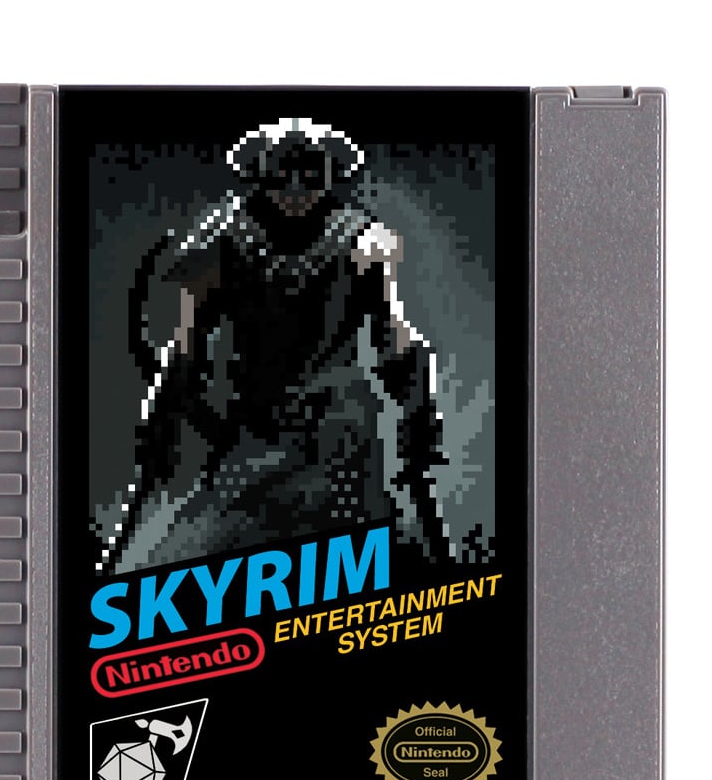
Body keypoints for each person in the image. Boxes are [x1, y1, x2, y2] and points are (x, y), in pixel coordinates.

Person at [98, 117, 451, 576]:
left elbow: (398, 344)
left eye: (309, 172)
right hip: (252, 434)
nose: (297, 187)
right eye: (285, 171)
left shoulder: (362, 243)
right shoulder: (223, 241)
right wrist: (163, 439)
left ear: (329, 176)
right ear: (263, 174)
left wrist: (417, 448)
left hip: (337, 439)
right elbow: (185, 353)